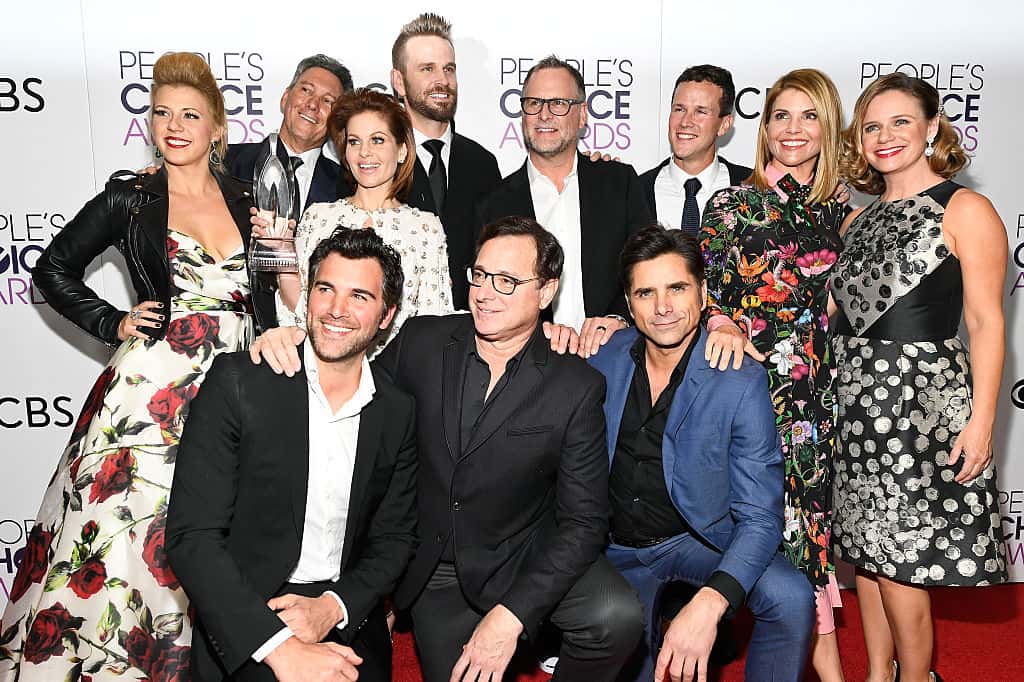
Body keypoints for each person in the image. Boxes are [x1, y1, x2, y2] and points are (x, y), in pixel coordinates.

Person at [1, 52, 265, 681]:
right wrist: (111, 320)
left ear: (217, 128)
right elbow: (51, 268)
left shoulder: (247, 197)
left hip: (234, 392)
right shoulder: (131, 195)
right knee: (131, 529)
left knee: (216, 534)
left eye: (190, 114)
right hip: (150, 396)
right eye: (162, 112)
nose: (174, 125)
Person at [373, 216, 643, 682]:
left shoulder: (575, 384)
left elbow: (584, 522)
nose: (484, 292)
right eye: (479, 275)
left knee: (616, 616)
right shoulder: (422, 342)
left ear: (545, 292)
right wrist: (298, 347)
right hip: (441, 566)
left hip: (525, 552)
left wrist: (513, 613)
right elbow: (353, 397)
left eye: (506, 281)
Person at [166, 228, 417, 682]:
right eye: (325, 289)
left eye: (360, 295)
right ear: (308, 297)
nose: (337, 310)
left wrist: (333, 608)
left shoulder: (396, 410)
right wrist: (279, 648)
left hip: (344, 615)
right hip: (246, 617)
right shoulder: (241, 382)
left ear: (387, 316)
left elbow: (395, 539)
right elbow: (192, 538)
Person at [831, 73, 1008, 682]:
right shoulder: (856, 222)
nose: (886, 137)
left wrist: (983, 422)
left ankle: (917, 678)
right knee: (869, 557)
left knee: (902, 559)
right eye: (873, 126)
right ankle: (879, 673)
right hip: (854, 405)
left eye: (901, 122)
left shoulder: (965, 209)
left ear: (933, 127)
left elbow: (986, 323)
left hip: (919, 406)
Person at [592, 224, 813, 682]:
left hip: (696, 540)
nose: (663, 307)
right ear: (629, 304)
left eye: (677, 288)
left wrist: (712, 601)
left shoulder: (738, 377)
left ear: (703, 292)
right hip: (614, 547)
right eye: (646, 293)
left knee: (790, 596)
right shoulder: (600, 358)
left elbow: (759, 517)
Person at [698, 68, 848, 681]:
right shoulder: (730, 203)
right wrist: (720, 321)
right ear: (764, 126)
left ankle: (822, 668)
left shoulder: (840, 211)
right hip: (747, 389)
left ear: (828, 129)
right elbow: (704, 290)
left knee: (807, 532)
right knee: (745, 523)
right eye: (781, 115)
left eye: (808, 116)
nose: (793, 129)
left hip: (813, 398)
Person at [478, 56, 653, 357]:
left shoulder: (619, 183)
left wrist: (618, 318)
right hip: (530, 366)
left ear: (582, 114)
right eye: (533, 103)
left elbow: (649, 265)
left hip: (615, 356)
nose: (544, 114)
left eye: (558, 103)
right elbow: (486, 294)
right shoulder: (493, 204)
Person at [266, 88, 452, 356]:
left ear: (401, 150)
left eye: (377, 140)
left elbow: (433, 322)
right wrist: (279, 248)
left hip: (398, 379)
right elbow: (300, 310)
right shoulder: (318, 216)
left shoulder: (424, 228)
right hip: (322, 367)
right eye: (354, 142)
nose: (364, 152)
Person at [386, 12, 502, 309]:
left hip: (471, 333)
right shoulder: (377, 161)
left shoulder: (482, 164)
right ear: (399, 81)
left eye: (449, 69)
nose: (442, 81)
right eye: (427, 69)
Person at [226, 54, 352, 211]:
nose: (313, 104)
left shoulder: (348, 187)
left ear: (338, 120)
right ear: (285, 98)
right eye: (306, 90)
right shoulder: (226, 163)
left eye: (327, 100)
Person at [639, 65, 753, 231]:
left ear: (724, 124)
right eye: (679, 109)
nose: (685, 122)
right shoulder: (636, 190)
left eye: (700, 112)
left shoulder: (752, 188)